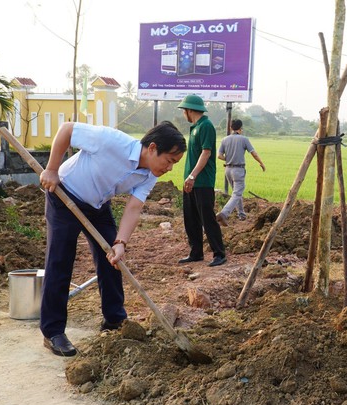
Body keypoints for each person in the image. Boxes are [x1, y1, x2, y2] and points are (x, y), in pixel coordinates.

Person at [38, 121, 186, 356]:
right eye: (169, 160)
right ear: (152, 148)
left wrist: (121, 243)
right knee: (60, 261)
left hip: (98, 205)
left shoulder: (149, 174)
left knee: (113, 259)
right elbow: (66, 129)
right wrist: (52, 169)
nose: (169, 168)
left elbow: (134, 207)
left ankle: (114, 320)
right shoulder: (111, 141)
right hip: (64, 195)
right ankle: (53, 332)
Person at [177, 95, 227, 267]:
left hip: (202, 181)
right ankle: (196, 252)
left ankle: (219, 253)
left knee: (207, 218)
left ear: (189, 110)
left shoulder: (206, 126)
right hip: (190, 180)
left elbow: (206, 153)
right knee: (190, 218)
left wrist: (193, 176)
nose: (184, 114)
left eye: (184, 111)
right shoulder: (195, 127)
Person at [216, 119, 266, 225]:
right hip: (238, 170)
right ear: (241, 129)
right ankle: (224, 214)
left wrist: (228, 159)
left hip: (228, 170)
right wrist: (261, 163)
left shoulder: (225, 139)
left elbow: (219, 156)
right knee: (237, 193)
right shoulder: (244, 139)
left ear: (230, 128)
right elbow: (254, 153)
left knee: (236, 192)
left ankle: (241, 215)